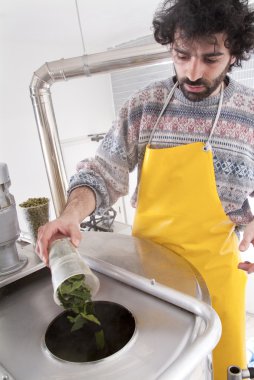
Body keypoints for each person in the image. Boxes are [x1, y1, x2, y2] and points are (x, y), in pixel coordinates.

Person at [36, 0, 254, 378]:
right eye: (182, 55)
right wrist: (70, 214)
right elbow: (102, 172)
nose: (193, 71)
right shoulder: (144, 107)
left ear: (234, 53)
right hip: (151, 281)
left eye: (211, 59)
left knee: (222, 369)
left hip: (218, 277)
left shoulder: (249, 113)